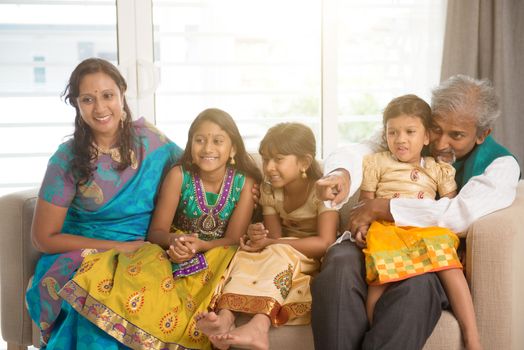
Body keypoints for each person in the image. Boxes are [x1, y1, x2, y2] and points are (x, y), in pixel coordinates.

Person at [312, 75, 520, 350]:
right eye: (436, 128)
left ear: (483, 133)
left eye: (456, 135)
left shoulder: (501, 165)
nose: (441, 143)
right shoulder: (407, 134)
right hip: (375, 240)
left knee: (417, 289)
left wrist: (385, 208)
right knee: (339, 263)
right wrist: (341, 173)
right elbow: (358, 151)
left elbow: (459, 214)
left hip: (427, 253)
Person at [56, 108, 262, 349]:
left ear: (233, 149)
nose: (208, 148)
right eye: (200, 140)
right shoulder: (179, 175)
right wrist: (177, 242)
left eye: (218, 141)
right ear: (190, 144)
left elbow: (234, 239)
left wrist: (203, 246)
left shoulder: (245, 183)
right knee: (128, 280)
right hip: (172, 251)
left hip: (220, 253)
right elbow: (156, 233)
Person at [25, 57, 183, 348]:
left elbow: (197, 175)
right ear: (76, 104)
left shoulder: (153, 143)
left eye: (107, 96)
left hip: (143, 254)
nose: (99, 108)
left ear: (122, 93)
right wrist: (118, 248)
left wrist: (248, 185)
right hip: (81, 254)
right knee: (92, 300)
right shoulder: (67, 158)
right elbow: (43, 238)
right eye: (88, 99)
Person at [195, 122, 339, 350]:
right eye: (265, 159)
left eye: (278, 159)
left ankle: (259, 326)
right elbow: (272, 237)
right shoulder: (269, 189)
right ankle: (225, 318)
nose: (269, 167)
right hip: (280, 252)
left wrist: (273, 242)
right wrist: (259, 236)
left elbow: (326, 242)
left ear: (304, 162)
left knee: (278, 251)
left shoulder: (323, 191)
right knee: (244, 255)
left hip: (311, 257)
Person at [358, 94, 480, 349]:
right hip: (387, 229)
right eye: (393, 132)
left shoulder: (437, 169)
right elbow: (365, 205)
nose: (400, 139)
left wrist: (462, 243)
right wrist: (362, 227)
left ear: (426, 137)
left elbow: (451, 204)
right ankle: (373, 330)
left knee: (450, 266)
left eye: (409, 132)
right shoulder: (377, 162)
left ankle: (472, 336)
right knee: (378, 278)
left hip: (425, 229)